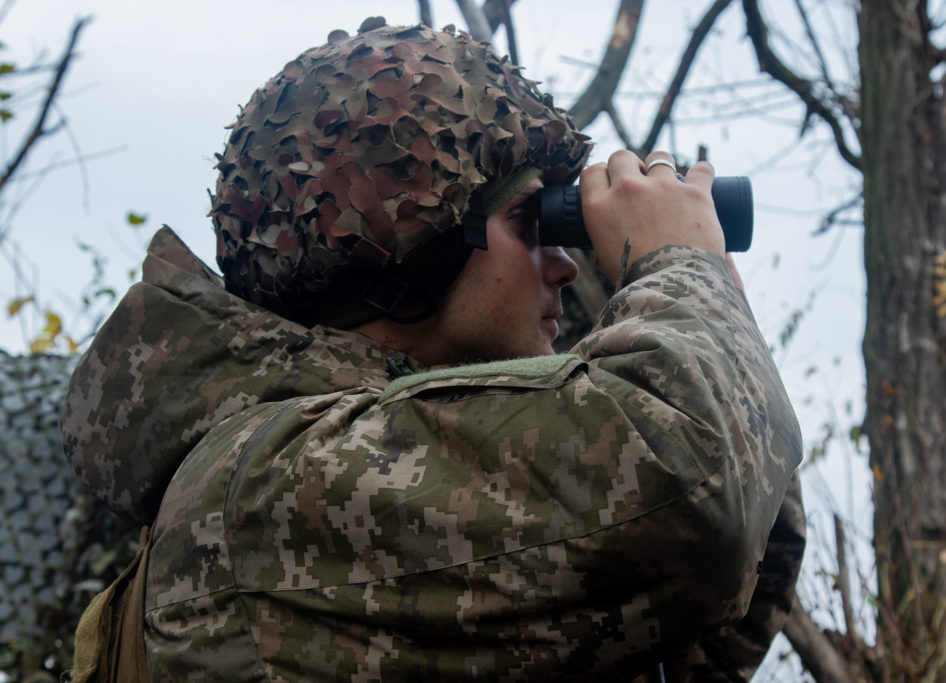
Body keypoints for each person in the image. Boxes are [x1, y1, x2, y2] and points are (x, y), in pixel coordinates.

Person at [62, 19, 805, 682]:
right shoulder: (262, 486)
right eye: (531, 221)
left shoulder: (361, 455)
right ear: (411, 244)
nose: (566, 264)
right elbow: (694, 501)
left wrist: (709, 308)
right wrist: (681, 272)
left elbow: (707, 624)